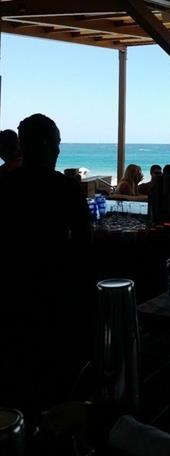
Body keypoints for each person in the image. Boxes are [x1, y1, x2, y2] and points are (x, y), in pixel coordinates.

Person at [0, 113, 93, 418]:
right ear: (43, 144)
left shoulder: (4, 184)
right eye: (56, 142)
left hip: (10, 299)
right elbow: (84, 246)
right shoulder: (65, 188)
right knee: (57, 385)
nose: (59, 149)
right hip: (56, 299)